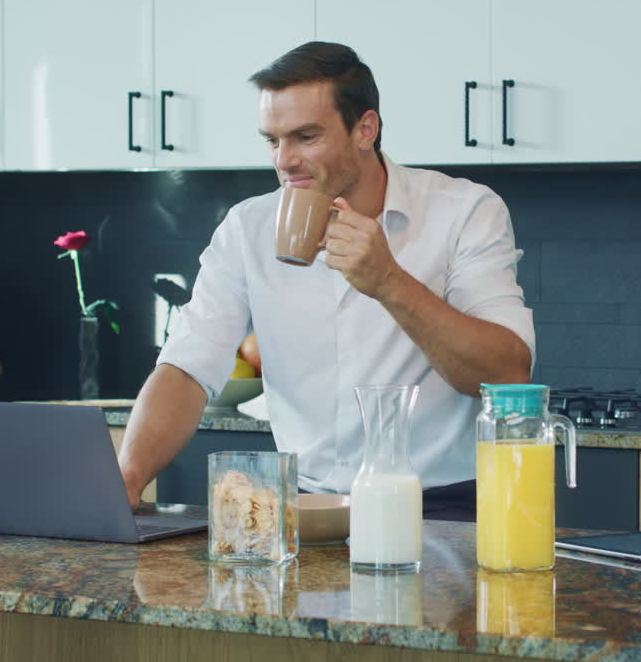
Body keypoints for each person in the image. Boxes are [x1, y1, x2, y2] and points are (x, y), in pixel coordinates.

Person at [118, 41, 533, 521]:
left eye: (305, 137)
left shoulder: (465, 211)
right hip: (304, 508)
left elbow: (507, 375)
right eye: (272, 140)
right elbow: (188, 367)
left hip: (443, 510)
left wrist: (389, 282)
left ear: (365, 129)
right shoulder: (246, 228)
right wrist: (126, 477)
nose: (284, 160)